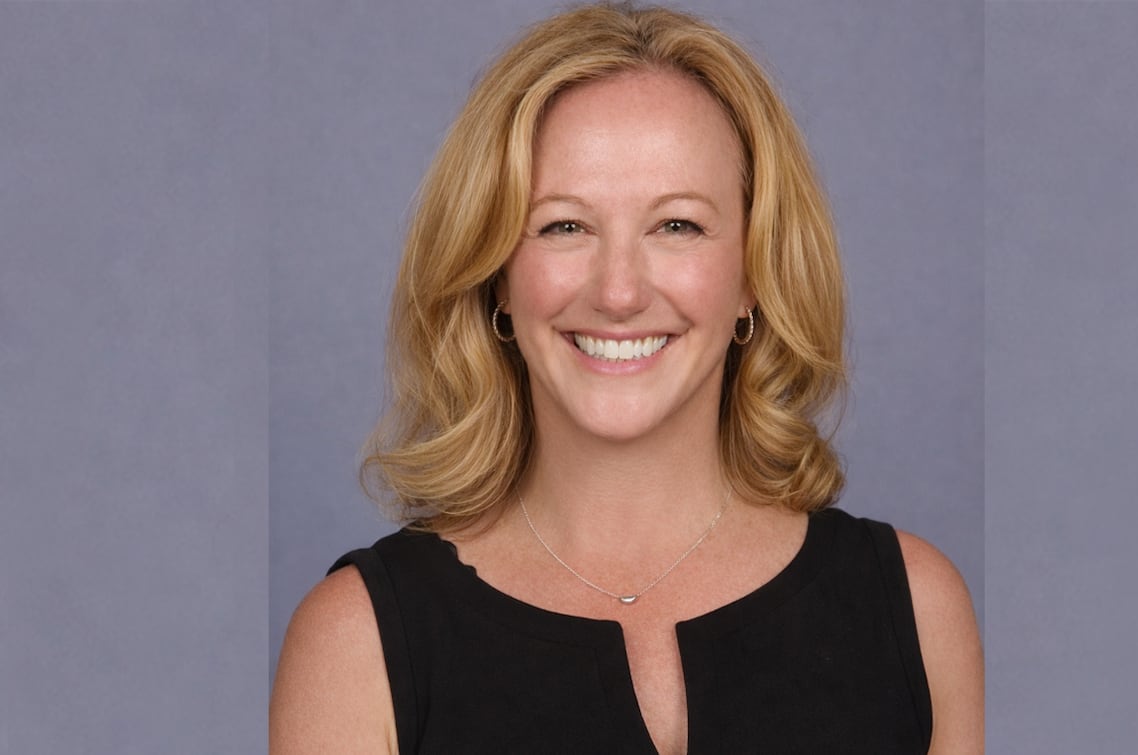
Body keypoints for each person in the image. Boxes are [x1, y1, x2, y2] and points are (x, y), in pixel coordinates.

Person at [270, 3, 983, 753]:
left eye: (677, 225)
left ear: (753, 272)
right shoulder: (354, 647)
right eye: (564, 225)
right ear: (497, 276)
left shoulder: (919, 612)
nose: (618, 293)